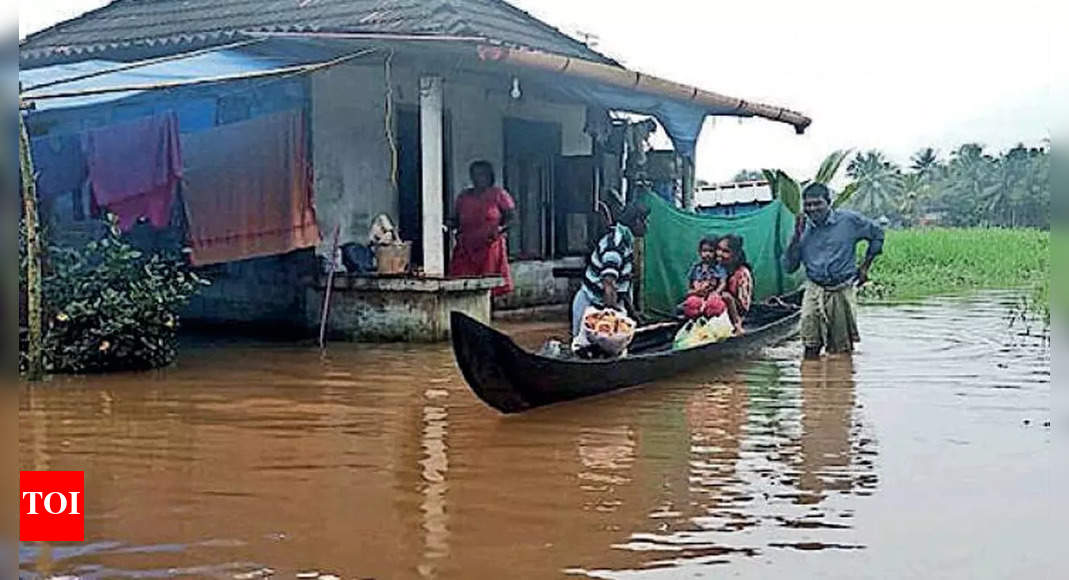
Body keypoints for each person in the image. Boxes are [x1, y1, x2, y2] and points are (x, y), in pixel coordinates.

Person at [785, 182, 884, 359]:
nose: (813, 209)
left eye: (817, 203)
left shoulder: (849, 221)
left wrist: (865, 266)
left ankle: (840, 383)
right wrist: (796, 236)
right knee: (810, 344)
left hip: (840, 289)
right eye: (808, 205)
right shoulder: (802, 227)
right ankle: (810, 383)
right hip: (814, 289)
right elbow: (790, 267)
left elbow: (877, 234)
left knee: (841, 349)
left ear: (828, 203)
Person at [571, 201, 650, 338]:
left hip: (610, 303)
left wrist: (634, 315)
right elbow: (609, 284)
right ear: (637, 221)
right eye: (645, 221)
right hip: (591, 305)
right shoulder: (615, 246)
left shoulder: (626, 243)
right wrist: (611, 320)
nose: (647, 226)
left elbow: (621, 286)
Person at [449, 161, 515, 296]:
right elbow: (454, 220)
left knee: (488, 284)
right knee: (461, 281)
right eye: (474, 175)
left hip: (489, 246)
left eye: (482, 175)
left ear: (489, 176)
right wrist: (444, 226)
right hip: (466, 247)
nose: (478, 178)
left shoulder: (498, 194)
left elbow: (511, 218)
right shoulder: (464, 197)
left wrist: (499, 230)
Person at [680, 236, 728, 320]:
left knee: (715, 305)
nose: (707, 254)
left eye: (711, 251)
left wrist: (716, 293)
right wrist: (695, 292)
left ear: (716, 252)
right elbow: (691, 285)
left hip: (712, 296)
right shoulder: (696, 268)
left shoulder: (719, 268)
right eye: (705, 251)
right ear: (700, 252)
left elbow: (722, 282)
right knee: (691, 304)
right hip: (698, 295)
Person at [715, 234, 754, 336]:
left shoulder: (742, 273)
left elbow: (744, 306)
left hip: (737, 313)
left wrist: (723, 298)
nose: (720, 254)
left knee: (725, 296)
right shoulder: (716, 269)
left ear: (736, 255)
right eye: (718, 249)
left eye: (726, 251)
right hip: (716, 310)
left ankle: (737, 327)